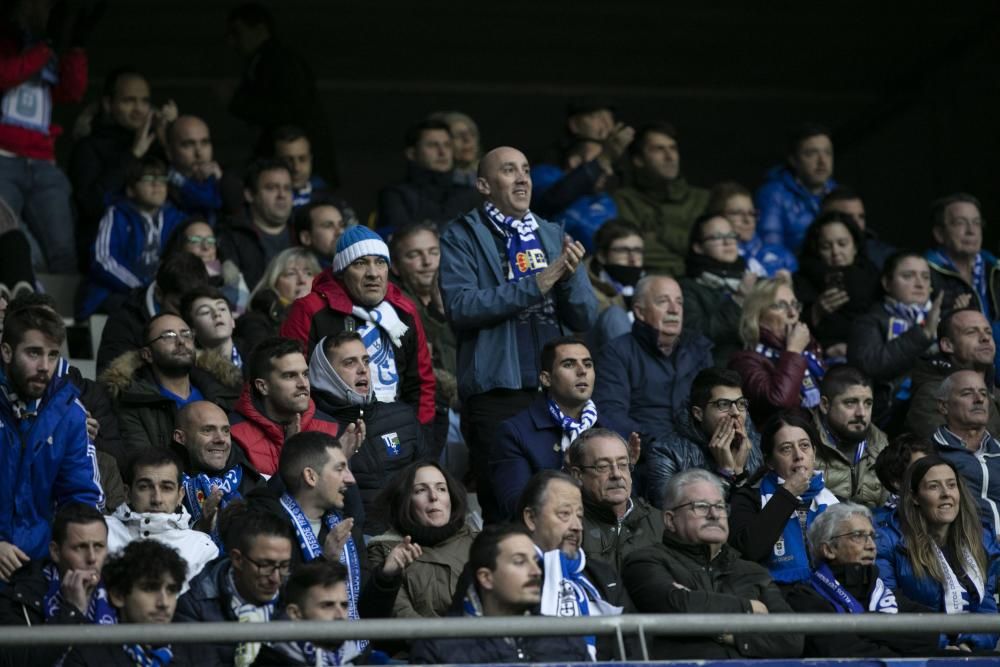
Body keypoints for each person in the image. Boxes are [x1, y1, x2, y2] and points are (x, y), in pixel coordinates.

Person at [439, 145, 597, 521]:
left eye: (525, 169)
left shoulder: (552, 233)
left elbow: (585, 314)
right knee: (510, 509)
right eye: (509, 170)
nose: (522, 177)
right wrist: (537, 283)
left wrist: (570, 277)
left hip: (552, 390)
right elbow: (461, 307)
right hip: (498, 394)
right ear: (483, 184)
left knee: (562, 504)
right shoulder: (461, 236)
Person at [623, 469, 803, 660]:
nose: (714, 515)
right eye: (701, 506)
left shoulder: (752, 572)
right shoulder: (645, 561)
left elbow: (791, 639)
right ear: (670, 520)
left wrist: (729, 635)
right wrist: (749, 607)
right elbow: (677, 606)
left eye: (720, 507)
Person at [281, 226, 436, 430]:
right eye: (360, 263)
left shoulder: (404, 311)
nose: (373, 273)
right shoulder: (310, 310)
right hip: (331, 432)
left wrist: (418, 437)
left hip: (399, 430)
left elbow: (421, 383)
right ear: (342, 272)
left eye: (380, 262)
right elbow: (290, 380)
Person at [0, 305, 102, 577]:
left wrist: (72, 559)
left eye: (53, 354)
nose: (45, 366)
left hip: (40, 564)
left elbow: (79, 497)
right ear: (7, 352)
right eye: (34, 353)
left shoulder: (69, 413)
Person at [0, 0, 98, 274]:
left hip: (43, 161)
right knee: (7, 239)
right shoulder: (11, 43)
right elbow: (5, 75)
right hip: (3, 157)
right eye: (41, 3)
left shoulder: (46, 48)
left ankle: (58, 317)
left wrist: (76, 48)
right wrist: (45, 48)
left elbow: (71, 92)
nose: (47, 11)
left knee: (63, 250)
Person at [409, 524, 591, 664]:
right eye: (519, 561)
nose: (536, 571)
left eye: (535, 561)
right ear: (486, 578)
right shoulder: (437, 647)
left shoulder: (566, 637)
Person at [785, 503, 942, 657]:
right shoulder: (805, 598)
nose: (872, 546)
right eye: (858, 536)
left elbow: (929, 633)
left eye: (872, 536)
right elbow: (842, 653)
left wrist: (856, 625)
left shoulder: (882, 593)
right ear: (829, 549)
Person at [876, 456, 999, 651]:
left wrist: (970, 643)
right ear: (915, 497)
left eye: (951, 485)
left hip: (970, 651)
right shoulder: (887, 541)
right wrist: (940, 645)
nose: (946, 494)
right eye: (934, 487)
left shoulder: (981, 540)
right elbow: (889, 605)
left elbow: (986, 605)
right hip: (918, 652)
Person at [308, 332, 425, 534]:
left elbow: (430, 476)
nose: (363, 370)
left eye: (366, 361)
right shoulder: (314, 430)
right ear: (326, 373)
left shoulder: (401, 415)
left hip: (416, 531)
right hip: (357, 540)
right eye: (349, 363)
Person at [69, 68, 178, 267]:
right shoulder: (88, 146)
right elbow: (91, 204)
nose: (138, 109)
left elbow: (180, 196)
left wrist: (166, 139)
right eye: (129, 101)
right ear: (108, 104)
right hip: (109, 255)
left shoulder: (155, 145)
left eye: (144, 101)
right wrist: (133, 155)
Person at [516, 470, 628, 661]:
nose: (577, 526)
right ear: (531, 518)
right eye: (564, 514)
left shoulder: (602, 574)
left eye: (579, 515)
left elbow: (631, 639)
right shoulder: (504, 572)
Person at [594, 275, 713, 451]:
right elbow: (611, 414)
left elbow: (716, 405)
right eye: (663, 302)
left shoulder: (699, 349)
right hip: (647, 457)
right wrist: (659, 448)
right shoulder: (616, 352)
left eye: (679, 302)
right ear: (640, 312)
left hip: (699, 452)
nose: (674, 310)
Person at [227, 2, 336, 186]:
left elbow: (287, 111)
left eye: (238, 32)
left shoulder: (277, 61)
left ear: (260, 29)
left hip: (304, 168)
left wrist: (236, 102)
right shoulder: (266, 59)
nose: (232, 42)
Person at [490, 337, 600, 518]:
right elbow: (516, 507)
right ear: (546, 379)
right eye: (569, 365)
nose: (582, 371)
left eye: (588, 364)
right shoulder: (514, 433)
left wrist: (627, 469)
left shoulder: (609, 429)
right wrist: (564, 474)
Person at [101, 313, 241, 451]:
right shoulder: (132, 402)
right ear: (147, 354)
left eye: (186, 334)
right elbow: (143, 459)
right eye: (168, 336)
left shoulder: (223, 394)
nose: (181, 341)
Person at [175, 508, 296, 667]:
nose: (276, 578)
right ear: (238, 559)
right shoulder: (193, 608)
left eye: (284, 566)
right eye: (265, 565)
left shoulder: (298, 600)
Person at [729, 412, 839, 585]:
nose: (798, 455)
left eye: (804, 446)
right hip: (776, 596)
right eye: (786, 449)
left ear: (814, 452)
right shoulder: (749, 497)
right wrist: (787, 494)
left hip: (831, 596)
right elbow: (751, 550)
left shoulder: (833, 501)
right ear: (769, 461)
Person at [0, 504, 114, 667]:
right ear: (55, 552)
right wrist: (71, 610)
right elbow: (19, 661)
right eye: (80, 547)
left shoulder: (122, 590)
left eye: (99, 546)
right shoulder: (20, 596)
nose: (92, 558)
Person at [80, 155, 187, 318]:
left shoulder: (176, 218)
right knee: (137, 312)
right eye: (147, 178)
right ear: (130, 189)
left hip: (159, 294)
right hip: (117, 292)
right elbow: (103, 259)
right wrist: (142, 289)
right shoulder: (117, 214)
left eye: (161, 179)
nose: (156, 183)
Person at [62, 540, 199, 666]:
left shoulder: (196, 654)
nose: (164, 603)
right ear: (118, 595)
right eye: (150, 588)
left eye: (171, 590)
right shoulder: (87, 659)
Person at [367, 461, 477, 618]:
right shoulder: (385, 548)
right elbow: (401, 617)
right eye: (420, 490)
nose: (434, 496)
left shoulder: (478, 542)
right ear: (405, 501)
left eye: (441, 489)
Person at [848, 250, 942, 431]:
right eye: (908, 276)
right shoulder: (869, 321)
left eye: (925, 277)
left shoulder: (944, 319)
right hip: (892, 415)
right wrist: (923, 335)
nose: (920, 283)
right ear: (887, 283)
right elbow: (871, 365)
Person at [646, 368, 764, 508]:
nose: (735, 412)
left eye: (741, 403)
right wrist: (724, 474)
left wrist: (739, 473)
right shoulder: (665, 452)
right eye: (723, 405)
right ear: (698, 414)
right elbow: (671, 512)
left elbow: (759, 514)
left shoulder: (756, 444)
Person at [389, 221, 457, 454]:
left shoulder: (462, 297)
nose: (428, 262)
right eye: (414, 255)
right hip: (430, 411)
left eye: (434, 252)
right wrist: (438, 312)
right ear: (395, 267)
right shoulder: (394, 306)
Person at [229, 337, 343, 476]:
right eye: (290, 376)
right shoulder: (233, 435)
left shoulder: (330, 428)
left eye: (305, 374)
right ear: (263, 387)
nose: (303, 384)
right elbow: (253, 497)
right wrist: (290, 455)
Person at [105, 449, 217, 589]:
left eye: (167, 488)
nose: (157, 499)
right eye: (145, 487)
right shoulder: (103, 533)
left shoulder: (201, 548)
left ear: (180, 495)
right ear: (127, 493)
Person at [612, 122, 709, 274]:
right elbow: (633, 252)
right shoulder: (625, 200)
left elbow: (710, 248)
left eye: (673, 148)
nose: (670, 157)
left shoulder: (702, 199)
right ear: (639, 159)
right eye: (659, 149)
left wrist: (659, 233)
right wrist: (683, 263)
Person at [729, 278, 825, 427]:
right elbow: (778, 401)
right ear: (757, 315)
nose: (793, 313)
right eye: (781, 306)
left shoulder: (809, 350)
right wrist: (793, 351)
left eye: (794, 305)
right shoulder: (744, 362)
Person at [567, 428, 663, 574]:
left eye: (623, 464)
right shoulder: (568, 527)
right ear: (578, 475)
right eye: (603, 466)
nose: (617, 474)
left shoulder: (661, 522)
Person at [96, 250, 211, 372]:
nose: (186, 317)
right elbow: (110, 381)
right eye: (178, 307)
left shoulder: (210, 316)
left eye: (193, 308)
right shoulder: (123, 323)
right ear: (159, 294)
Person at [793, 211, 881, 359]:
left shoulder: (874, 275)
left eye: (842, 244)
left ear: (855, 246)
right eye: (826, 246)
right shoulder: (802, 280)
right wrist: (816, 312)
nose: (836, 252)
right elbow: (791, 331)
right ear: (816, 250)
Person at [173, 401, 264, 538]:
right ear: (180, 438)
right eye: (208, 430)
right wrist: (202, 527)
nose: (221, 439)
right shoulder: (165, 484)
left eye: (226, 431)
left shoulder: (250, 479)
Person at [375, 118, 480, 236]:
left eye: (447, 145)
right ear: (412, 154)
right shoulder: (396, 195)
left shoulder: (469, 194)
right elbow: (400, 238)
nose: (442, 152)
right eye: (432, 145)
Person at [906, 308, 1000, 439]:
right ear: (947, 345)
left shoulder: (995, 393)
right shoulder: (932, 394)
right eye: (971, 332)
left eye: (988, 332)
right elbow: (950, 452)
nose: (985, 338)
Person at [250, 560, 366, 666]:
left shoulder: (365, 661)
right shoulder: (268, 663)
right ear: (295, 613)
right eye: (327, 605)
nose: (340, 615)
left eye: (344, 605)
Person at [680, 213, 757, 366]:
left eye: (731, 235)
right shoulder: (686, 288)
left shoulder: (754, 281)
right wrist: (738, 300)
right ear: (698, 247)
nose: (728, 241)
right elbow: (696, 335)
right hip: (718, 372)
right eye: (717, 237)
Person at [929, 370, 1000, 533]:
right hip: (965, 552)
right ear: (943, 406)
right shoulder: (931, 453)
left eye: (983, 393)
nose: (979, 399)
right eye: (967, 393)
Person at [812, 365, 890, 507]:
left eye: (868, 403)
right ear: (825, 405)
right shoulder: (804, 445)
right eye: (850, 403)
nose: (861, 413)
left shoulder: (881, 444)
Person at [756, 122, 836, 253]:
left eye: (828, 153)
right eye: (811, 154)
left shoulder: (837, 192)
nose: (822, 161)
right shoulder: (772, 194)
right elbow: (771, 251)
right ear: (793, 159)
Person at [219, 158, 295, 289]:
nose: (282, 194)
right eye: (271, 188)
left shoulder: (304, 230)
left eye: (287, 188)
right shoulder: (231, 237)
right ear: (249, 195)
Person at [925, 193, 1000, 319]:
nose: (971, 231)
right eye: (960, 223)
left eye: (976, 223)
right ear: (939, 234)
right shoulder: (923, 273)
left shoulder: (995, 268)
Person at [234, 247, 320, 356]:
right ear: (274, 282)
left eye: (308, 273)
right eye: (291, 274)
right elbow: (267, 361)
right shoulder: (255, 321)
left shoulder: (330, 314)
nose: (302, 280)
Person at [162, 217, 250, 315]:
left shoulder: (232, 277)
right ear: (180, 246)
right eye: (196, 240)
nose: (206, 247)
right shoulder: (167, 276)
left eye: (210, 241)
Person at [709, 180, 796, 278]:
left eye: (752, 213)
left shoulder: (782, 255)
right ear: (717, 217)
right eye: (737, 213)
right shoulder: (714, 257)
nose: (748, 220)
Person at [165, 115, 224, 222]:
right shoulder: (161, 187)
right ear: (169, 152)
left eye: (205, 143)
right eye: (188, 144)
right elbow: (208, 201)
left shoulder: (222, 180)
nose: (199, 153)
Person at [821, 186, 896, 270]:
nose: (858, 224)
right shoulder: (807, 259)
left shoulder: (886, 256)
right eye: (848, 218)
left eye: (861, 217)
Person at [181, 286, 246, 370]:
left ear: (232, 321)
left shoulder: (254, 354)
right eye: (205, 312)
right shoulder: (192, 371)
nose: (217, 314)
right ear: (192, 330)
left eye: (222, 309)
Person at [273, 125, 329, 208]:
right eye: (288, 161)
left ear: (310, 160)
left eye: (302, 159)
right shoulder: (264, 204)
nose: (296, 168)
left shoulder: (327, 196)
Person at [429, 110, 480, 186]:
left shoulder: (490, 177)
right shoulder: (434, 185)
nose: (467, 139)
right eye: (458, 135)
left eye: (471, 133)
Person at [293, 197, 348, 267]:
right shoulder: (300, 276)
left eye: (341, 225)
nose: (340, 232)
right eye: (328, 226)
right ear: (306, 238)